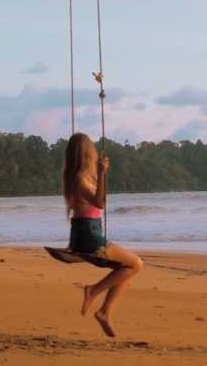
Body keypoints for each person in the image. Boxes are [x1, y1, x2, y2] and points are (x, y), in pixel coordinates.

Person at [62, 132, 143, 338]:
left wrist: (99, 174)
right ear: (86, 153)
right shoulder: (80, 181)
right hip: (89, 236)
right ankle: (95, 292)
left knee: (128, 267)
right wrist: (103, 172)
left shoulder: (81, 178)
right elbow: (101, 203)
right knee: (135, 264)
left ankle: (105, 311)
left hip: (85, 233)